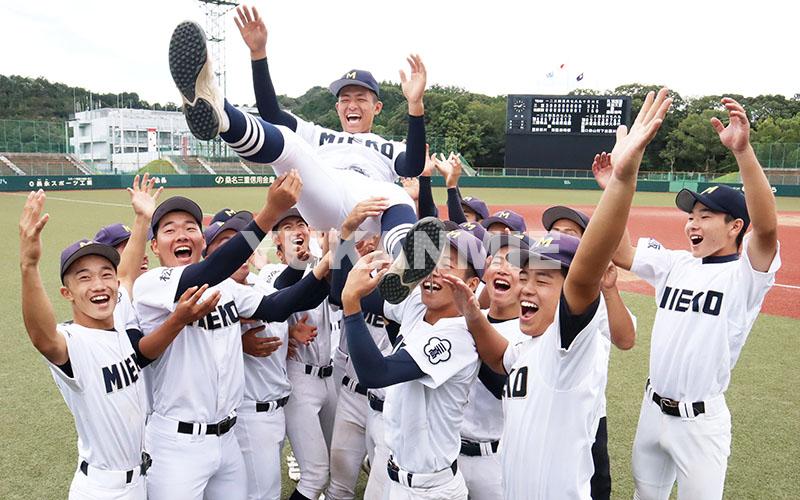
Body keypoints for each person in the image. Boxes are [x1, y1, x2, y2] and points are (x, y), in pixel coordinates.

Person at [442, 88, 672, 499]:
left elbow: (584, 278)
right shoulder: (529, 344)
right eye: (525, 274)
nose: (528, 286)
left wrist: (621, 181)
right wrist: (472, 314)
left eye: (544, 279)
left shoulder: (567, 345)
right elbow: (499, 356)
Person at [169, 13, 444, 305]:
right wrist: (258, 55)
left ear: (377, 107)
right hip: (322, 189)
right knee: (289, 141)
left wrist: (416, 106)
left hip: (368, 202)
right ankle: (220, 113)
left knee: (396, 194)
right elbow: (271, 113)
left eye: (361, 98)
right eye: (345, 99)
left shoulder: (387, 145)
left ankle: (403, 267)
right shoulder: (318, 134)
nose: (352, 104)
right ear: (337, 106)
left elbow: (413, 165)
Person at [606, 98, 781, 500]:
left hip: (700, 422)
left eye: (706, 216)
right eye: (691, 215)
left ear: (736, 226)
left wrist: (742, 150)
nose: (692, 224)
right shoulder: (675, 264)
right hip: (652, 411)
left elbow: (767, 231)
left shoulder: (746, 276)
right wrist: (616, 184)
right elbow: (622, 253)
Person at [132, 173, 335, 500]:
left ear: (200, 239)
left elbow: (279, 305)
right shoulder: (153, 284)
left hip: (227, 439)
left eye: (190, 227)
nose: (182, 234)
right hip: (177, 443)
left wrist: (327, 263)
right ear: (154, 245)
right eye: (169, 229)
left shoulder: (226, 288)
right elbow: (204, 273)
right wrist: (268, 214)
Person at [19, 190, 217, 500]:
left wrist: (142, 219)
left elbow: (125, 273)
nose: (98, 284)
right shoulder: (73, 341)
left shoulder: (120, 323)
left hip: (138, 480)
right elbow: (42, 337)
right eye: (83, 278)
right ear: (67, 293)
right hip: (102, 487)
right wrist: (29, 266)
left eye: (104, 275)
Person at [334, 227, 488, 500]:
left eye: (447, 266)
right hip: (398, 478)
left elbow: (376, 373)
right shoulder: (419, 305)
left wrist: (351, 303)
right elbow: (343, 291)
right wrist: (344, 243)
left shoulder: (458, 337)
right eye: (430, 262)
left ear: (472, 285)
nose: (434, 272)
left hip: (432, 491)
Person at [541, 204, 637, 499]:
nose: (560, 236)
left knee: (595, 485)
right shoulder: (533, 288)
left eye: (570, 233)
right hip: (539, 406)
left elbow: (625, 339)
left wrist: (608, 290)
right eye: (555, 231)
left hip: (587, 413)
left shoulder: (592, 296)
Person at [458, 233, 529, 500]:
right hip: (450, 453)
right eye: (497, 260)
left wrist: (472, 328)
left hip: (496, 460)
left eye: (513, 263)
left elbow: (506, 391)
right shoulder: (466, 317)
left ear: (526, 280)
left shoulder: (530, 335)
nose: (503, 268)